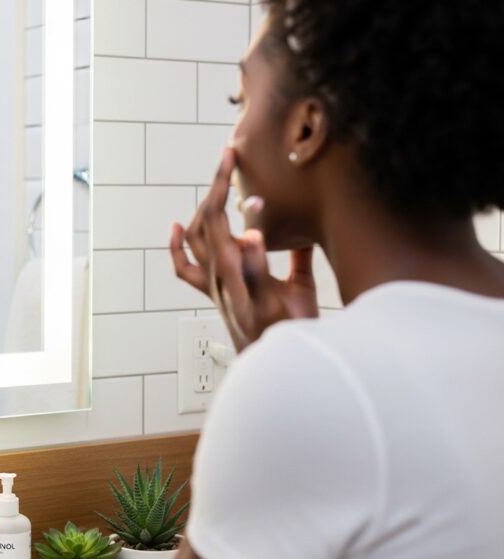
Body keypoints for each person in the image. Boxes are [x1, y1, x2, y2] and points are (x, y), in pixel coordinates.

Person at [169, 1, 504, 557]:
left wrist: (272, 364)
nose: (233, 138)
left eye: (242, 98)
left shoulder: (310, 383)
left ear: (305, 127)